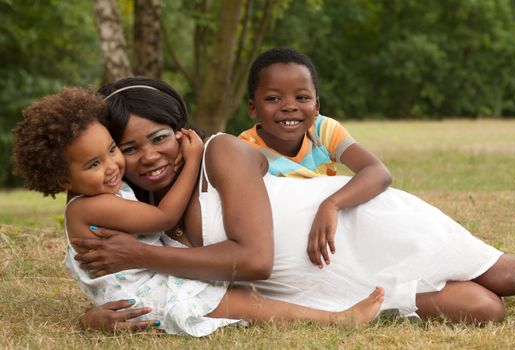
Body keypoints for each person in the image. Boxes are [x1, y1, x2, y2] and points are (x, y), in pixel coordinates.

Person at [74, 76, 515, 331]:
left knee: (506, 274)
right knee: (484, 309)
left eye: (159, 139)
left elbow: (255, 261)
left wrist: (141, 254)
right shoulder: (137, 210)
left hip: (352, 229)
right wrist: (92, 319)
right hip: (322, 285)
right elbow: (135, 284)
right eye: (129, 149)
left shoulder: (220, 152)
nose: (149, 157)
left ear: (181, 132)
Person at [12, 87, 385, 336]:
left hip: (144, 282)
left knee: (240, 297)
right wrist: (192, 160)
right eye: (94, 163)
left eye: (111, 150)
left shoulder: (95, 195)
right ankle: (337, 320)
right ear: (63, 178)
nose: (111, 166)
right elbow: (164, 220)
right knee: (239, 303)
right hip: (147, 291)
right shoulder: (91, 204)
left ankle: (335, 315)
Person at [239, 47, 392, 268]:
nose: (289, 107)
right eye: (273, 98)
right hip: (288, 238)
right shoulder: (245, 150)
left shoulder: (323, 130)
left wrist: (331, 205)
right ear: (253, 108)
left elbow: (378, 173)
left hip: (330, 224)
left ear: (317, 106)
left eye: (302, 97)